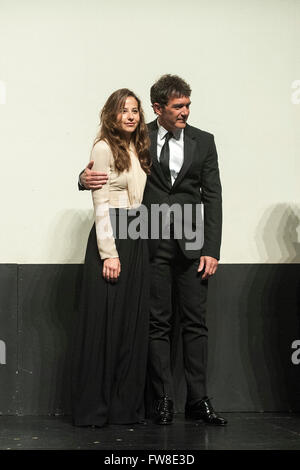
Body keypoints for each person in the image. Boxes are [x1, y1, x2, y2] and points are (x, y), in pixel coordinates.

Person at [79, 75, 227, 426]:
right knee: (157, 322)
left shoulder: (204, 141)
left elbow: (214, 196)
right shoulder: (139, 135)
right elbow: (110, 165)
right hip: (150, 237)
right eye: (178, 106)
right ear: (158, 108)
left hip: (192, 244)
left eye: (188, 105)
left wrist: (212, 247)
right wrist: (82, 179)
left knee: (195, 323)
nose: (185, 112)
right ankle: (162, 400)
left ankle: (198, 400)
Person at [71, 88, 151, 427]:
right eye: (124, 111)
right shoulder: (103, 148)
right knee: (105, 326)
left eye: (135, 110)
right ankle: (95, 410)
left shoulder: (138, 148)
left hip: (137, 235)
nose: (131, 116)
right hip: (113, 238)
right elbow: (100, 204)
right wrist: (109, 254)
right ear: (111, 115)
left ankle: (123, 409)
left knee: (129, 327)